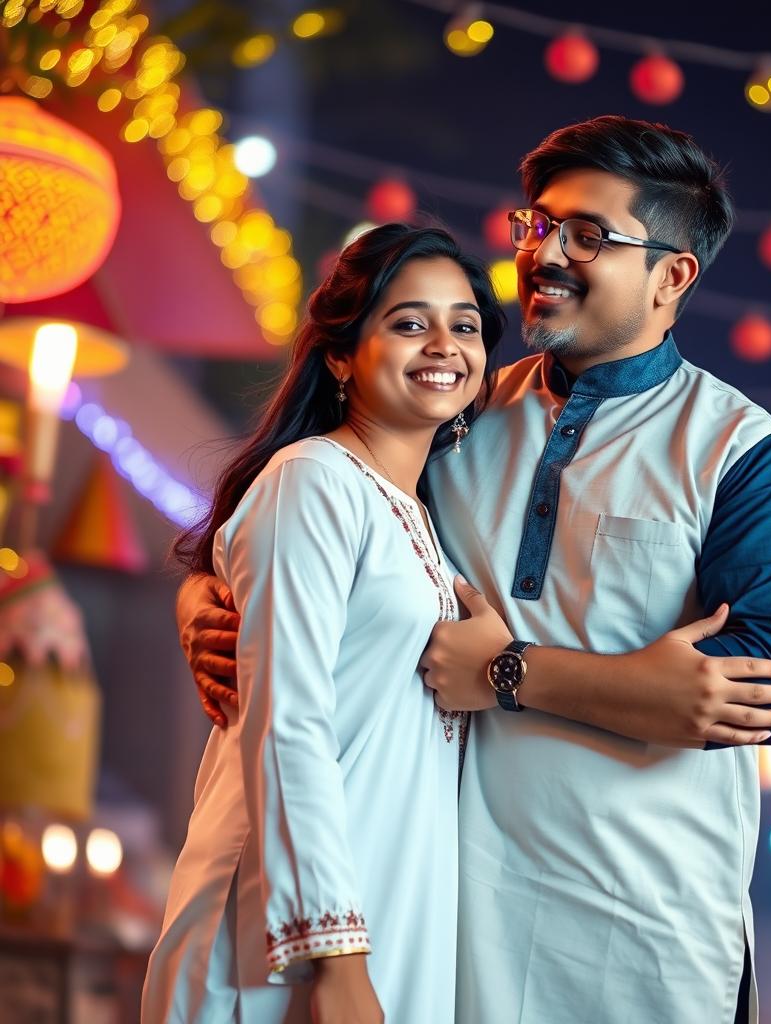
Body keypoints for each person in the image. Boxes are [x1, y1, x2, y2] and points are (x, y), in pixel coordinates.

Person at [177, 116, 771, 1024]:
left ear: (673, 275)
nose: (546, 253)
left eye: (589, 236)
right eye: (538, 224)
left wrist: (505, 671)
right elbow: (321, 519)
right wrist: (205, 597)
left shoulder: (744, 453)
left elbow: (765, 692)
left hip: (644, 930)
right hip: (449, 921)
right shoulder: (463, 414)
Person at [141, 225, 506, 1024]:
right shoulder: (312, 481)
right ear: (342, 356)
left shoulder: (416, 513)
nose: (444, 343)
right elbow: (289, 725)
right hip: (284, 939)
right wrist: (333, 957)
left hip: (389, 917)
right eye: (410, 322)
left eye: (466, 324)